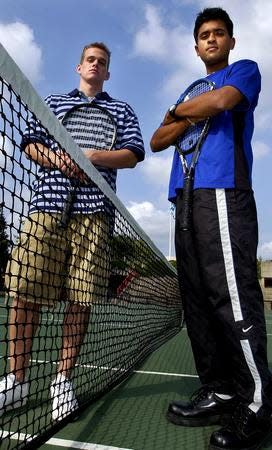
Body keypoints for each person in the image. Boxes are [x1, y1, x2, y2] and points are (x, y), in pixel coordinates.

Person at [0, 42, 145, 422]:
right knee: (23, 294)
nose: (96, 65)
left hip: (95, 214)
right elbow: (30, 144)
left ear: (108, 73)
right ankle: (16, 381)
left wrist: (91, 157)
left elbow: (131, 154)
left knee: (80, 300)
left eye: (103, 62)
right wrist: (60, 159)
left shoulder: (122, 110)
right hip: (46, 209)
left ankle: (62, 382)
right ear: (79, 66)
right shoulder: (52, 103)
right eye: (91, 60)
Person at [150, 7, 272, 450]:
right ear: (196, 44)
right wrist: (183, 110)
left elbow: (219, 103)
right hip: (185, 202)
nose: (212, 39)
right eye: (204, 35)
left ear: (231, 41)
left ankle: (258, 404)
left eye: (219, 33)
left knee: (232, 299)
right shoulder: (189, 90)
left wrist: (178, 111)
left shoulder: (243, 71)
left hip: (223, 195)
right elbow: (158, 140)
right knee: (198, 304)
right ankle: (220, 390)